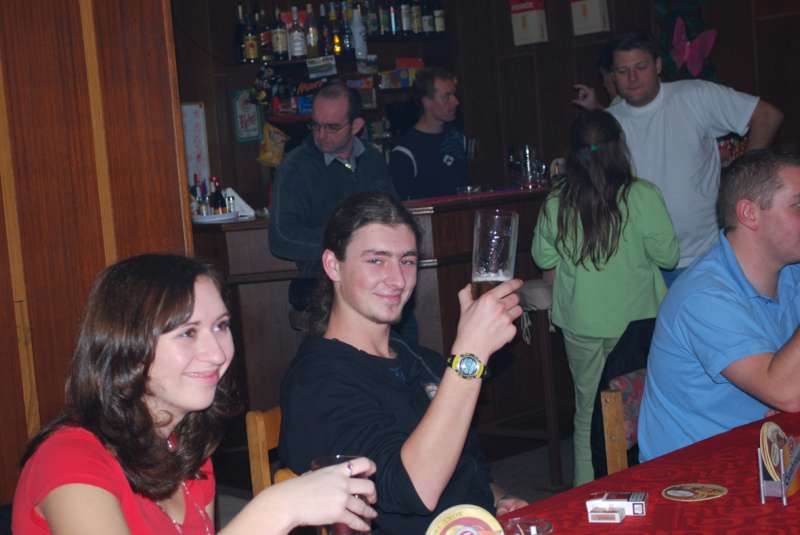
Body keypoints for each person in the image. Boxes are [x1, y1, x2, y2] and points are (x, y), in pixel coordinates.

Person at [12, 253, 378, 535]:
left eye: (220, 326)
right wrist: (278, 508)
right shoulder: (69, 459)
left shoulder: (185, 449)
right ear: (128, 347)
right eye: (188, 332)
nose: (218, 354)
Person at [279, 192, 528, 533]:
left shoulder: (421, 360)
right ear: (333, 265)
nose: (397, 279)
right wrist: (470, 356)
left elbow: (467, 464)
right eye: (376, 260)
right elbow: (413, 490)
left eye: (407, 261)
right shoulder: (316, 382)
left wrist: (499, 499)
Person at [532, 110, 679, 486]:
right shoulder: (642, 195)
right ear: (619, 148)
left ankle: (587, 497)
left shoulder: (557, 201)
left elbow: (543, 257)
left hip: (580, 322)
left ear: (572, 154)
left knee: (587, 414)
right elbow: (669, 257)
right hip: (636, 323)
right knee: (641, 408)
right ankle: (644, 490)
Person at [638, 150, 800, 461]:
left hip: (763, 459)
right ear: (749, 214)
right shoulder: (703, 296)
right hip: (691, 476)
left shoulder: (791, 273)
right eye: (798, 205)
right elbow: (785, 392)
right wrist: (785, 394)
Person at [606, 31, 783, 286]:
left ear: (657, 65)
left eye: (640, 67)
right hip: (640, 263)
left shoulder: (694, 95)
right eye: (622, 71)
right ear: (613, 76)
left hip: (705, 255)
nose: (632, 78)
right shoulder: (608, 122)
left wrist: (743, 182)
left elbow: (767, 116)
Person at [269, 81, 396, 316]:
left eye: (332, 127)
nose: (321, 135)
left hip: (380, 281)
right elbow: (281, 238)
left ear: (356, 126)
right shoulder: (295, 167)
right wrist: (346, 244)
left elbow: (393, 217)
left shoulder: (372, 159)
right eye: (315, 125)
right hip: (325, 288)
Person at [389, 67, 469, 200]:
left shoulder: (458, 139)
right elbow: (399, 206)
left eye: (454, 95)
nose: (456, 102)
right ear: (427, 102)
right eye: (447, 96)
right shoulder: (406, 151)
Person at [572, 43, 619, 110]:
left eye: (604, 76)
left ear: (613, 76)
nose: (604, 84)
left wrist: (596, 107)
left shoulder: (620, 102)